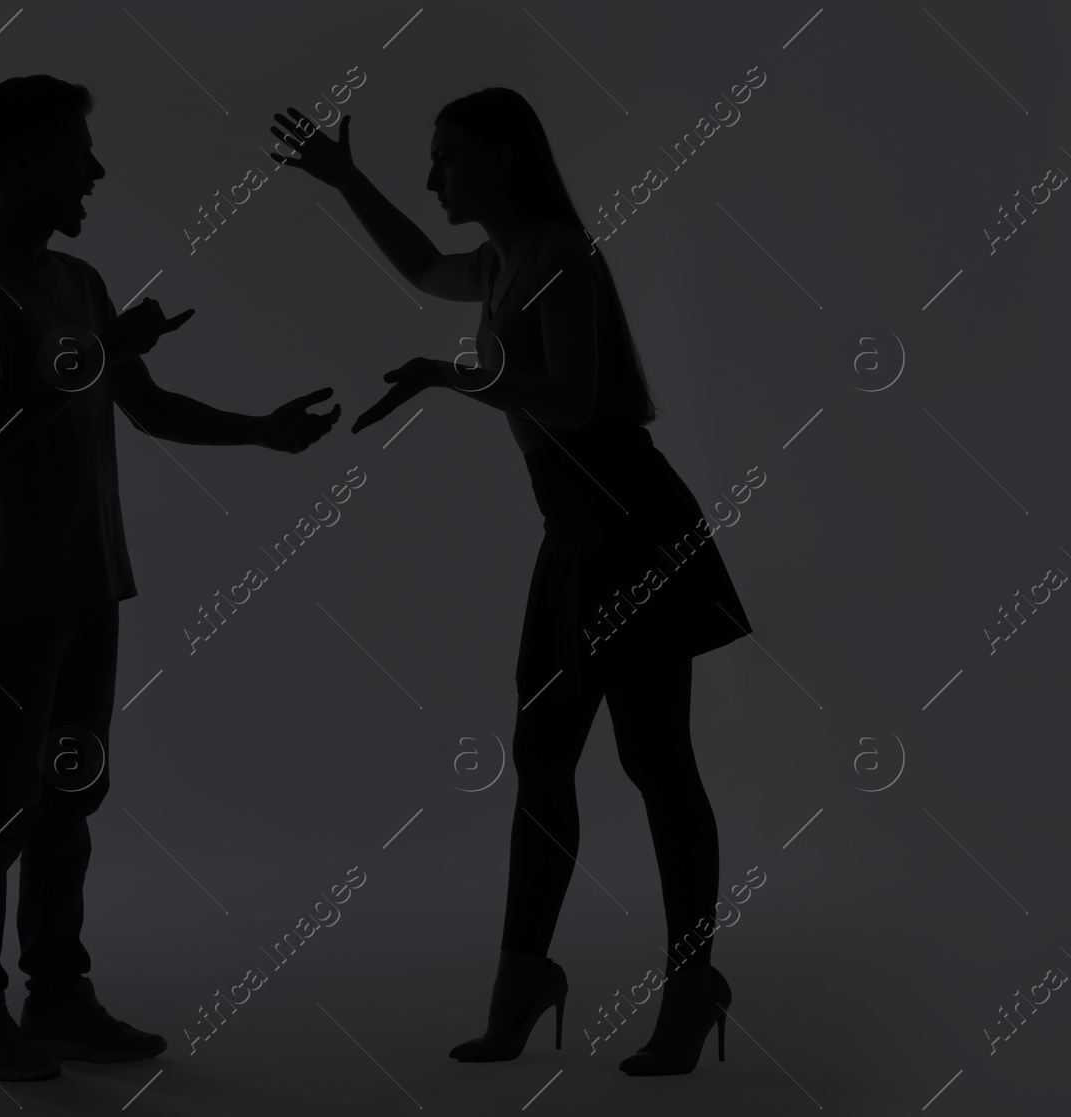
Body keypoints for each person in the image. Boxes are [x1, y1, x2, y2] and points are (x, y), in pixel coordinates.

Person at [269, 86, 752, 1076]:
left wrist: (453, 378)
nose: (434, 176)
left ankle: (691, 984)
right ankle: (522, 984)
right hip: (574, 533)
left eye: (447, 157)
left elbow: (573, 400)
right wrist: (344, 178)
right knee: (542, 764)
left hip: (629, 523)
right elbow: (416, 265)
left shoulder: (562, 257)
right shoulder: (498, 263)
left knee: (656, 762)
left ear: (501, 158)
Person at [0, 74, 340, 1083]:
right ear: (23, 163)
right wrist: (101, 351)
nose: (95, 171)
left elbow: (143, 406)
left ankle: (56, 994)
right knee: (0, 799)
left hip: (89, 585)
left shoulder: (80, 283)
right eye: (77, 151)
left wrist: (260, 431)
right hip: (7, 591)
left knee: (71, 792)